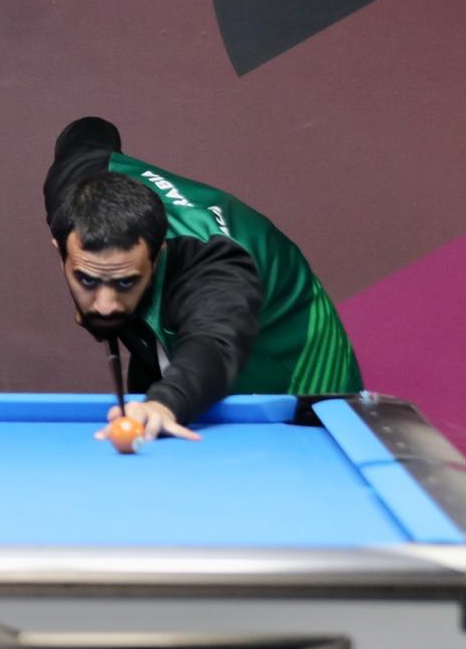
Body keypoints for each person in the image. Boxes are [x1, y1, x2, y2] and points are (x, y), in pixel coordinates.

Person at [43, 117, 362, 442]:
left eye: (125, 282)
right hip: (173, 342)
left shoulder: (215, 264)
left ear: (157, 255)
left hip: (288, 364)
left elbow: (214, 342)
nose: (105, 305)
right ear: (60, 249)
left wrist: (167, 403)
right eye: (87, 280)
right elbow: (90, 130)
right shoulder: (75, 186)